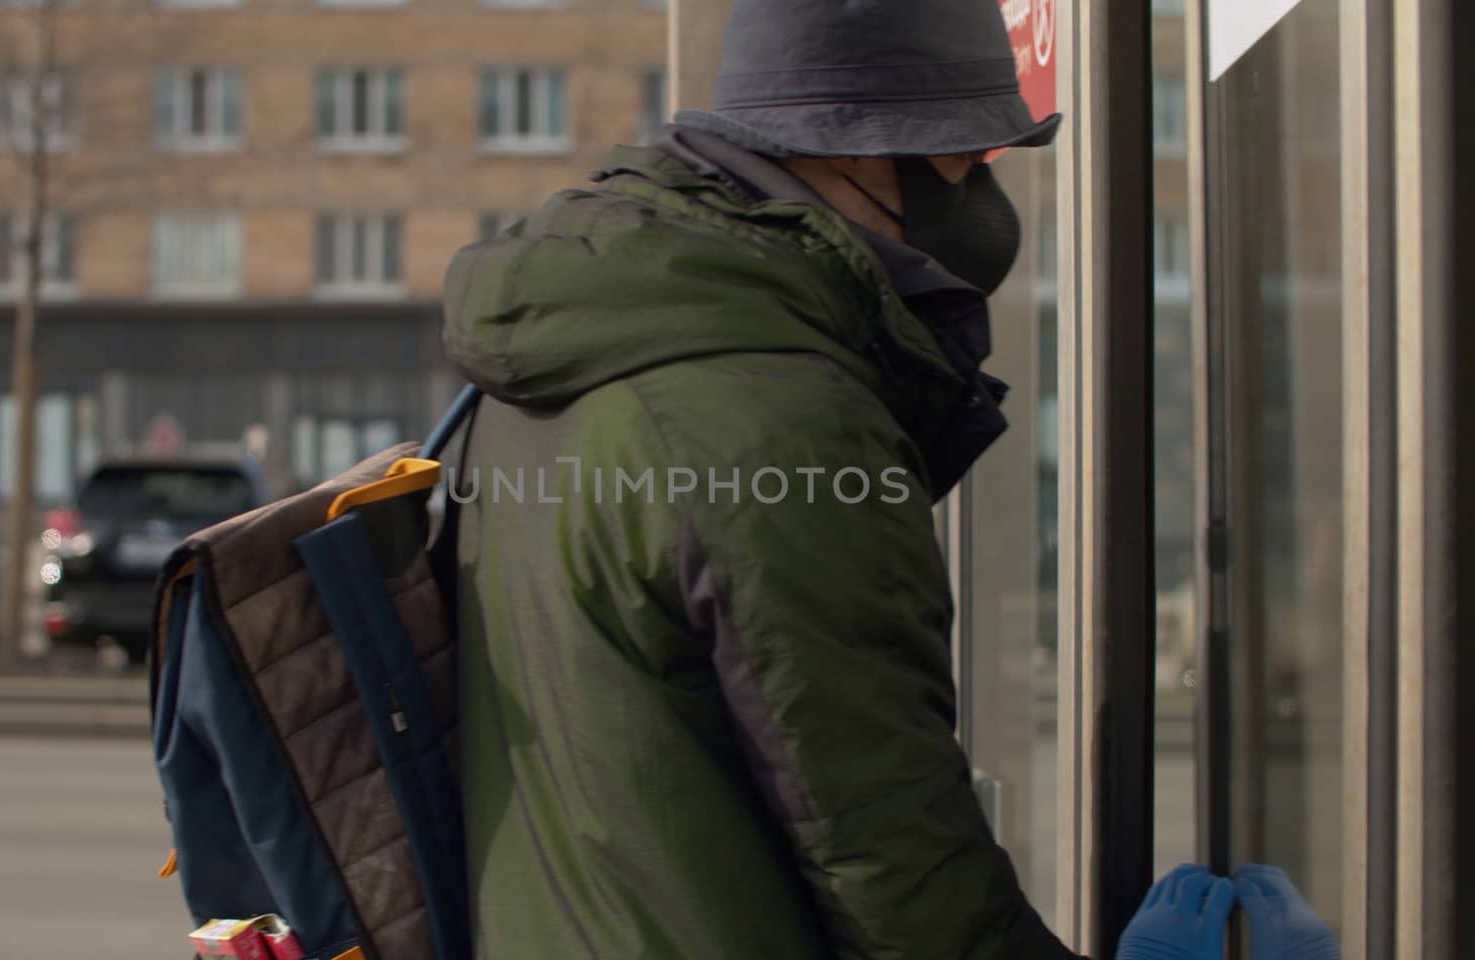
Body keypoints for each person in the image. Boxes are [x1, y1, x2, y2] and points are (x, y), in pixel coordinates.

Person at [440, 0, 1340, 956]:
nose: (983, 204)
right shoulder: (773, 415)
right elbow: (890, 855)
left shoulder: (571, 355)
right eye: (966, 162)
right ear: (861, 156)